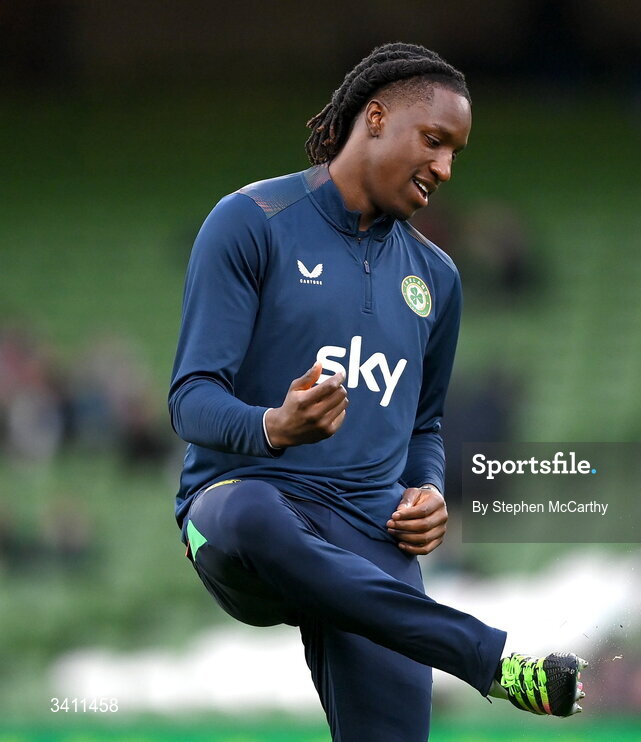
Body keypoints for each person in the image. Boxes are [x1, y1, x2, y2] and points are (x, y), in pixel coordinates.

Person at [168, 43, 586, 741]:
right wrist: (275, 425)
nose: (446, 169)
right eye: (435, 141)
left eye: (456, 153)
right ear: (376, 116)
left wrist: (428, 490)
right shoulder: (250, 222)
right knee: (261, 515)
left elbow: (424, 424)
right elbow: (189, 401)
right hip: (235, 518)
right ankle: (493, 661)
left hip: (368, 535)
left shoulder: (438, 279)